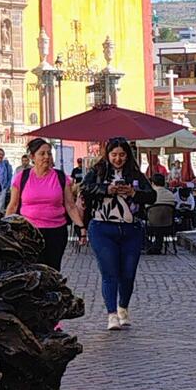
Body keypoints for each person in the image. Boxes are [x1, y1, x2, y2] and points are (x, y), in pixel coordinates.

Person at [79, 137, 156, 330]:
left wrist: (133, 193)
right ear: (108, 155)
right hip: (102, 227)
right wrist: (106, 189)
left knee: (128, 273)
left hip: (131, 228)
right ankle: (111, 314)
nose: (118, 159)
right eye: (114, 155)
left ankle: (123, 308)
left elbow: (152, 196)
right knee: (109, 272)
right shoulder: (97, 171)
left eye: (122, 155)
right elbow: (84, 189)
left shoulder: (136, 174)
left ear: (127, 155)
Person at [5, 137, 80, 273]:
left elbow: (70, 205)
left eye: (49, 153)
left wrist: (82, 227)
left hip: (56, 232)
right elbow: (13, 205)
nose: (47, 157)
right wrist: (5, 229)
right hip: (28, 233)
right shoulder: (22, 177)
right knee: (32, 272)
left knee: (52, 272)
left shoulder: (60, 177)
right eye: (42, 153)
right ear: (32, 157)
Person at [145, 172, 177, 255]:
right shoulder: (171, 195)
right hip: (168, 224)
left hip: (152, 224)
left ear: (152, 183)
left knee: (140, 226)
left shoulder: (150, 195)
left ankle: (150, 246)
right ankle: (156, 246)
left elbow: (145, 208)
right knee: (160, 224)